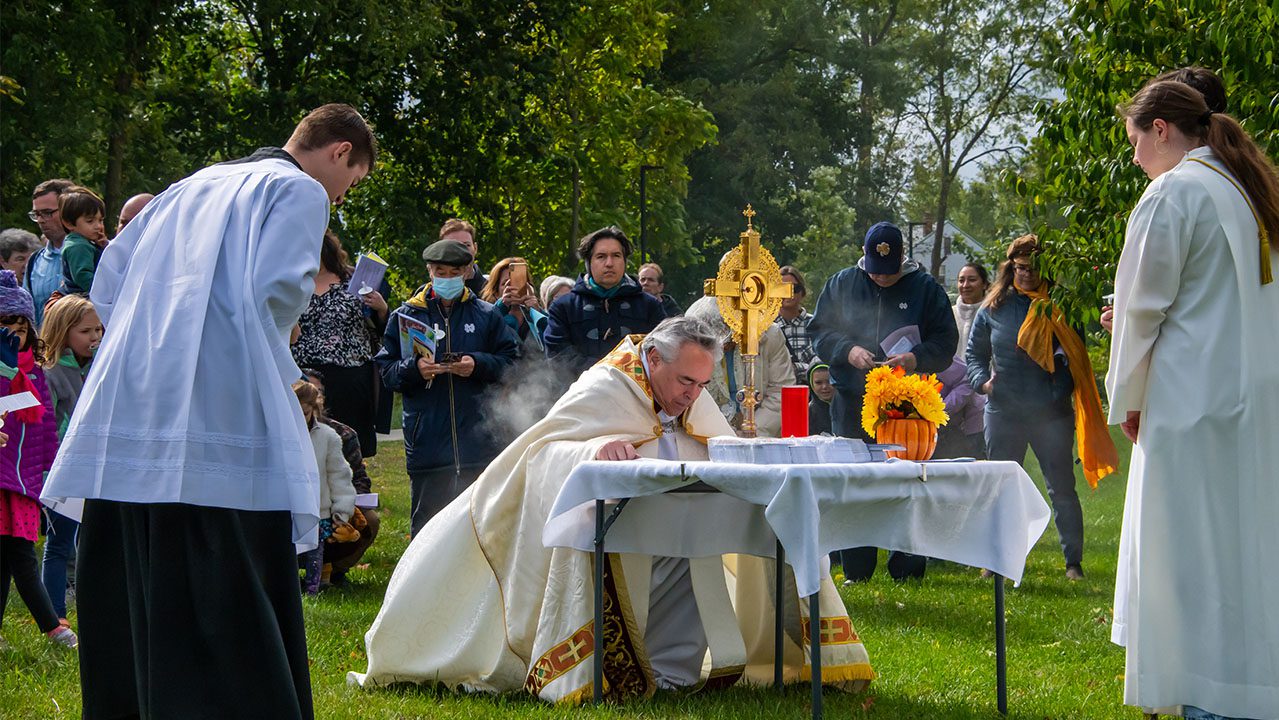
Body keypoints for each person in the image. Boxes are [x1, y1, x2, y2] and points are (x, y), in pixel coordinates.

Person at [41, 102, 376, 720]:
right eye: (350, 182)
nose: (342, 194)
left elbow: (110, 283)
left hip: (138, 401)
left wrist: (158, 356)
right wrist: (283, 379)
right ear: (339, 154)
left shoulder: (187, 185)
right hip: (222, 407)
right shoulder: (298, 191)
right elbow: (274, 296)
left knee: (142, 572)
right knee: (225, 578)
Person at [351, 316, 873, 700]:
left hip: (681, 524)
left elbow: (716, 445)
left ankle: (672, 676)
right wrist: (593, 452)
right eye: (685, 383)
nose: (692, 396)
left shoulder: (692, 389)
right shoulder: (606, 385)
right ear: (653, 359)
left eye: (701, 385)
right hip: (615, 532)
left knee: (691, 561)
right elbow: (545, 450)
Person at [1107, 79, 1279, 720]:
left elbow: (1140, 308)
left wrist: (1127, 394)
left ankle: (1203, 693)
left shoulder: (1174, 191)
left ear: (1160, 131)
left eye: (1134, 142)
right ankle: (1250, 686)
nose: (1133, 159)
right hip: (1254, 398)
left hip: (1190, 403)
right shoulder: (1249, 191)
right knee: (1248, 548)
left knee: (1190, 558)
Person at [810, 222, 958, 582]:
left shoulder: (925, 288)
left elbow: (946, 341)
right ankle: (856, 569)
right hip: (852, 401)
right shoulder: (842, 283)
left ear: (903, 260)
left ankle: (907, 568)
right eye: (875, 274)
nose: (882, 280)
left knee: (907, 484)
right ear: (863, 259)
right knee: (854, 482)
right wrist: (848, 350)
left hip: (909, 407)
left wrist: (915, 359)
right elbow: (820, 332)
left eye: (889, 275)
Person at [966, 235, 1117, 581]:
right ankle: (995, 561)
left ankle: (1073, 564)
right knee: (1001, 487)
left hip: (1052, 414)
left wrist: (1057, 390)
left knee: (1061, 488)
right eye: (1020, 268)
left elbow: (1076, 357)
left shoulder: (1060, 306)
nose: (1027, 275)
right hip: (1004, 410)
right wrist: (983, 384)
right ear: (1010, 268)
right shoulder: (993, 307)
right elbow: (975, 356)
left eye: (1034, 269)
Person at [376, 239, 519, 536]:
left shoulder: (486, 314)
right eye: (440, 271)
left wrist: (477, 364)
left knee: (479, 527)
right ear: (429, 271)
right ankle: (423, 583)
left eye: (454, 272)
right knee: (427, 528)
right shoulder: (406, 316)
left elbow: (512, 363)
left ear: (467, 272)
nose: (447, 278)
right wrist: (414, 369)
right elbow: (385, 370)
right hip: (428, 442)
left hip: (478, 442)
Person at [0, 273, 78, 650]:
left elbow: (44, 422)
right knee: (18, 558)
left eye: (20, 326)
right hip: (2, 479)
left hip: (27, 480)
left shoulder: (34, 371)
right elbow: (7, 408)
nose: (14, 335)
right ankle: (54, 627)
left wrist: (51, 469)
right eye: (5, 326)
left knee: (12, 556)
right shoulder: (7, 370)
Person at [291, 230, 387, 457]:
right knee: (309, 449)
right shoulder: (292, 284)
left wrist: (382, 308)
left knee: (350, 451)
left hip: (351, 379)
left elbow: (383, 329)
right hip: (304, 376)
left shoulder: (354, 280)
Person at [38, 295, 101, 623]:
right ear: (63, 332)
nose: (95, 338)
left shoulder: (100, 366)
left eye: (98, 330)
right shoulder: (49, 373)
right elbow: (47, 426)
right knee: (60, 545)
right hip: (62, 469)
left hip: (94, 466)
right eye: (86, 331)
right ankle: (55, 618)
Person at [544, 226, 666, 377]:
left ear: (624, 261)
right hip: (579, 395)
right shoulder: (563, 307)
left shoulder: (649, 306)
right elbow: (558, 357)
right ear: (589, 263)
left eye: (616, 255)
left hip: (634, 394)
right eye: (601, 256)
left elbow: (663, 352)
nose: (609, 263)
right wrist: (605, 372)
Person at [301, 370, 380, 587]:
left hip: (332, 509)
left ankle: (335, 571)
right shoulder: (279, 432)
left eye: (317, 393)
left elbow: (358, 480)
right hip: (292, 512)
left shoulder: (340, 435)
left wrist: (345, 510)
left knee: (369, 521)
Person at [686, 295, 795, 437]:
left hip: (761, 432)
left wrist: (754, 430)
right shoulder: (694, 343)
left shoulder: (769, 335)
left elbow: (781, 390)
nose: (722, 344)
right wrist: (721, 432)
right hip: (709, 433)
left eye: (726, 333)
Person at [292, 380, 355, 595]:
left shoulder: (328, 437)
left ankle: (314, 587)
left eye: (305, 413)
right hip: (287, 511)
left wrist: (342, 511)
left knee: (315, 554)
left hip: (319, 511)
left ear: (314, 410)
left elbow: (339, 476)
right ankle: (287, 588)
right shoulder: (279, 435)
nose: (300, 419)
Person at [26, 179, 75, 326]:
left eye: (47, 213)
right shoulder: (34, 261)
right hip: (45, 347)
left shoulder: (96, 254)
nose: (41, 220)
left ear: (69, 210)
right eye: (36, 214)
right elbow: (28, 317)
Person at [481, 256, 548, 356]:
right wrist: (501, 307)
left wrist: (538, 313)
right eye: (505, 283)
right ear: (495, 291)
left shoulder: (540, 317)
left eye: (518, 282)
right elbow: (483, 339)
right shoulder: (487, 316)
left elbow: (555, 342)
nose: (512, 287)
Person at [57, 186, 107, 295]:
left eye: (100, 220)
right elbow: (82, 276)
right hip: (82, 299)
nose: (98, 226)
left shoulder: (85, 242)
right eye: (90, 221)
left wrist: (104, 246)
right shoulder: (78, 246)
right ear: (69, 223)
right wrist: (105, 293)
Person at [933, 357, 984, 459]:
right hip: (940, 427)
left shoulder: (932, 355)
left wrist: (940, 411)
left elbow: (968, 377)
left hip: (968, 426)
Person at [774, 265, 816, 383]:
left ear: (802, 292)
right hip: (777, 396)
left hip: (810, 397)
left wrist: (795, 368)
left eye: (794, 288)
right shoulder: (766, 329)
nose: (788, 293)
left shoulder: (816, 325)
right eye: (783, 289)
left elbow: (823, 365)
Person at [437, 218, 488, 297]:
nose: (461, 251)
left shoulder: (493, 292)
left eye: (466, 245)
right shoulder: (426, 295)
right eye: (453, 246)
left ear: (475, 248)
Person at [953, 262, 989, 358]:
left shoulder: (993, 315)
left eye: (972, 280)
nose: (965, 285)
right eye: (961, 281)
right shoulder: (949, 314)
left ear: (984, 284)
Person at [807, 362, 834, 435]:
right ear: (811, 384)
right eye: (818, 383)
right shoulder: (808, 414)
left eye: (829, 381)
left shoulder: (849, 409)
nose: (824, 387)